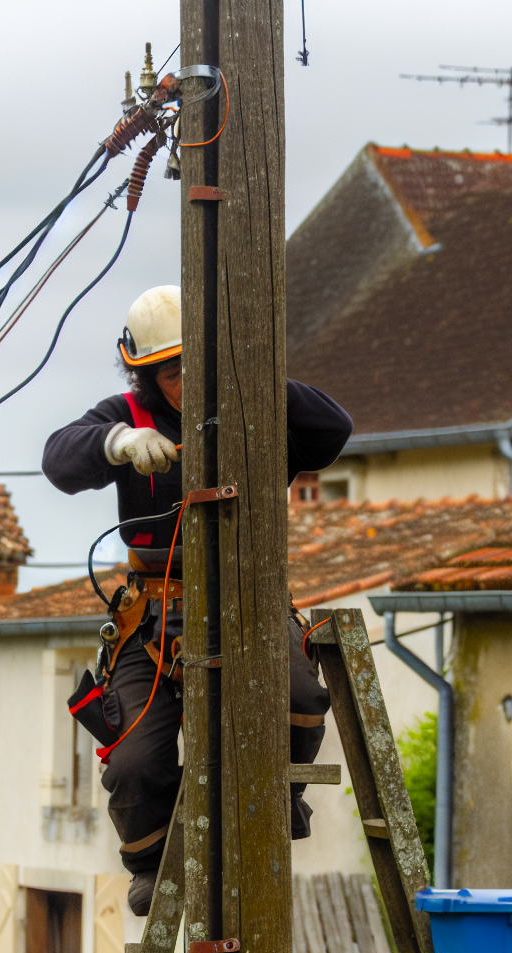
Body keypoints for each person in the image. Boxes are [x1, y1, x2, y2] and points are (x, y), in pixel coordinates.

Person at [42, 285, 352, 915]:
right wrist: (119, 444)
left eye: (196, 364)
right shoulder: (125, 412)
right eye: (170, 369)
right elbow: (58, 458)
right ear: (146, 373)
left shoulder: (258, 407)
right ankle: (151, 863)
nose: (185, 379)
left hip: (250, 600)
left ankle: (277, 799)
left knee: (297, 700)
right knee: (132, 762)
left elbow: (334, 428)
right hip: (156, 612)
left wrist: (256, 371)